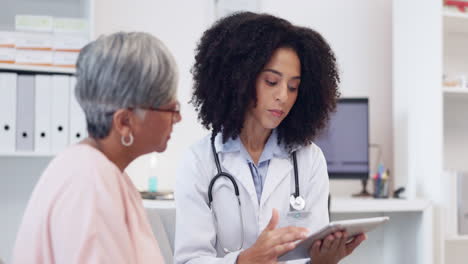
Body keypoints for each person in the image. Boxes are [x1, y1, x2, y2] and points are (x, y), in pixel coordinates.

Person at [174, 12, 366, 264]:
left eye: (293, 87)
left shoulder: (309, 159)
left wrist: (322, 261)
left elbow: (309, 250)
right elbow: (189, 260)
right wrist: (244, 261)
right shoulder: (199, 161)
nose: (283, 96)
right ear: (238, 79)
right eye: (272, 81)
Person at [12, 32, 181, 264]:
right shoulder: (90, 185)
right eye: (171, 109)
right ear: (124, 122)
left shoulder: (100, 172)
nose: (178, 118)